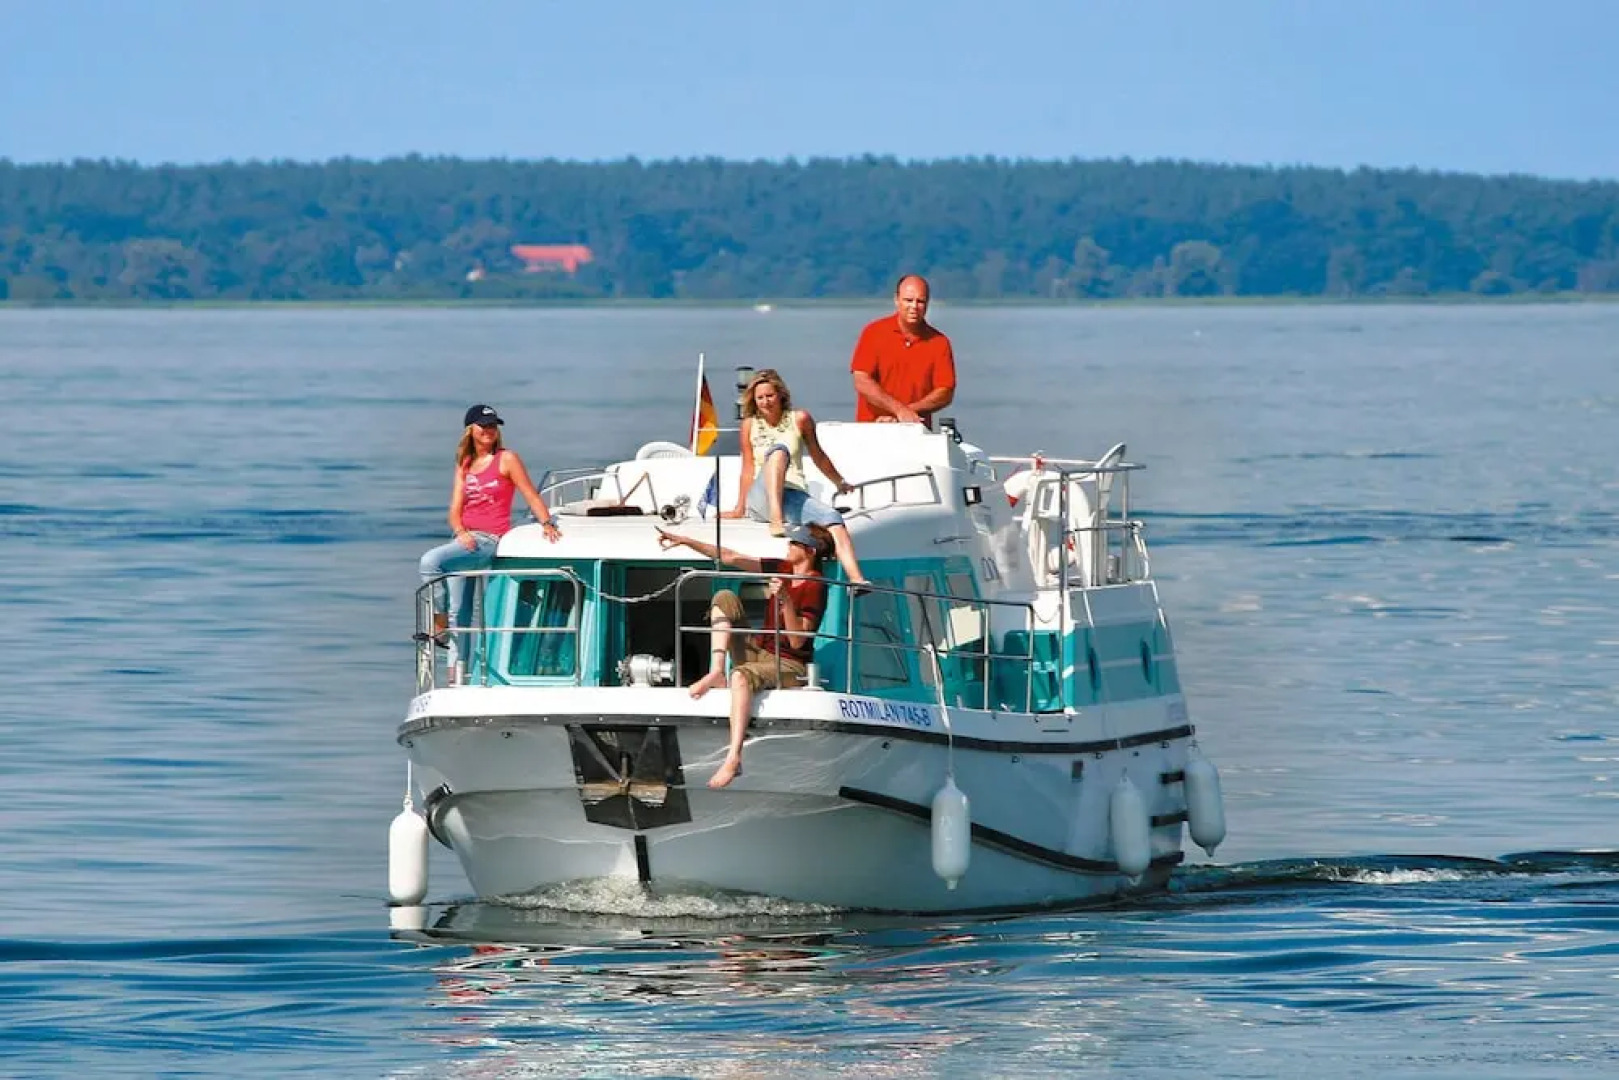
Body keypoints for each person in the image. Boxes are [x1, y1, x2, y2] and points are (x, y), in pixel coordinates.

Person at [656, 522, 833, 789]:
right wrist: (686, 540)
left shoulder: (815, 587)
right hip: (761, 651)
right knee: (725, 597)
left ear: (809, 550)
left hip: (789, 663)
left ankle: (734, 756)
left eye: (793, 543)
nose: (787, 546)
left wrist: (785, 600)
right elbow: (731, 557)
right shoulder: (782, 568)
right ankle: (716, 671)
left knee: (740, 675)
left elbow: (798, 641)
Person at [419, 404, 560, 654]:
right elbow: (454, 509)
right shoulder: (465, 463)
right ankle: (457, 674)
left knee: (430, 562)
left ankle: (437, 624)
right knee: (459, 614)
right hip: (463, 540)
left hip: (490, 539)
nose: (489, 430)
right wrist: (461, 531)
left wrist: (546, 523)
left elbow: (530, 494)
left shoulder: (507, 459)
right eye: (483, 426)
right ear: (470, 429)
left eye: (493, 426)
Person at [724, 368, 869, 587]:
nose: (765, 402)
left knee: (833, 518)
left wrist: (839, 481)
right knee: (779, 450)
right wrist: (739, 507)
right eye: (760, 398)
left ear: (781, 395)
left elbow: (818, 455)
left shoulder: (799, 419)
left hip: (792, 494)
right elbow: (747, 468)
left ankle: (856, 579)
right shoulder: (749, 425)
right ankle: (776, 517)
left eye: (769, 396)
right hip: (761, 498)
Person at [850, 274, 957, 427]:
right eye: (908, 300)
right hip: (872, 429)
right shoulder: (874, 332)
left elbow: (945, 392)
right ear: (897, 300)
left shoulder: (939, 342)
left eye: (920, 301)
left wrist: (908, 412)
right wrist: (898, 410)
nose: (914, 306)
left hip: (917, 432)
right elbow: (861, 380)